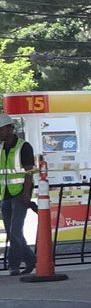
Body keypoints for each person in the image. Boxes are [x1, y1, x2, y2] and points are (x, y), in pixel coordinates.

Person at [0, 114, 36, 275]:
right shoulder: (0, 147)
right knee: (12, 231)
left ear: (10, 128)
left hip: (20, 193)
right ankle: (30, 260)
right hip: (5, 194)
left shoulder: (24, 146)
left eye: (1, 129)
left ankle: (13, 264)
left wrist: (26, 194)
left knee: (15, 231)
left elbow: (29, 172)